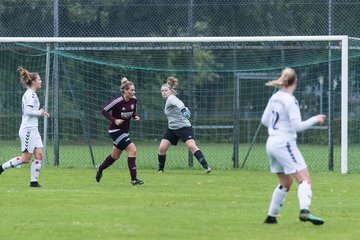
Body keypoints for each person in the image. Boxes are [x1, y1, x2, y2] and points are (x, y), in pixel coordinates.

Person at [261, 68, 326, 225]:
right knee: (305, 180)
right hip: (284, 143)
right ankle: (305, 211)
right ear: (295, 81)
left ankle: (271, 217)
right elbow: (297, 126)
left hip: (271, 143)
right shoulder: (290, 100)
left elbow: (264, 120)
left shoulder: (275, 97)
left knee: (285, 183)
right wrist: (315, 119)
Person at [0, 67, 49, 187]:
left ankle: (33, 182)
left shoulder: (32, 94)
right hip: (28, 129)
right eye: (39, 79)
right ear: (33, 82)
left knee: (39, 154)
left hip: (34, 129)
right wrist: (39, 112)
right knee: (26, 159)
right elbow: (28, 111)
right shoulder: (30, 95)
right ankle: (1, 168)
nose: (41, 81)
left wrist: (40, 112)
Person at [157, 76, 211, 173]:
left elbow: (179, 103)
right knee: (162, 148)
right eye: (162, 91)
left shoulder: (171, 98)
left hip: (184, 127)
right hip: (172, 129)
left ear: (170, 91)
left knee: (192, 146)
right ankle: (160, 170)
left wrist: (183, 109)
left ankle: (206, 167)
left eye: (166, 90)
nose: (164, 92)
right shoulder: (167, 100)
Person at [96, 77, 144, 185]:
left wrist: (136, 116)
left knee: (115, 156)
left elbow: (133, 111)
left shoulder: (134, 100)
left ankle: (100, 168)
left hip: (125, 131)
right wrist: (114, 120)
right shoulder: (117, 101)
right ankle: (134, 179)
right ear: (125, 91)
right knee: (133, 150)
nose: (133, 92)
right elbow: (104, 111)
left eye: (134, 90)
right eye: (131, 90)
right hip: (115, 131)